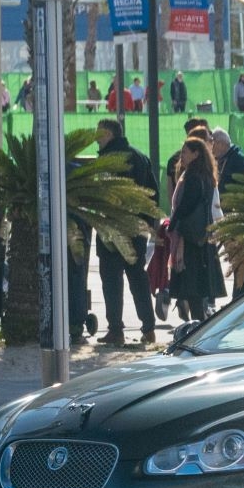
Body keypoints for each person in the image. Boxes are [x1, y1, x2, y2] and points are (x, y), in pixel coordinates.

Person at [86, 119, 162, 346]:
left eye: (99, 133)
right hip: (136, 228)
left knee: (111, 281)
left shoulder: (108, 160)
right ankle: (149, 328)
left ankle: (116, 330)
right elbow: (153, 193)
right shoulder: (140, 157)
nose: (96, 138)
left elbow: (100, 194)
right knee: (138, 277)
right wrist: (147, 223)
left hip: (111, 228)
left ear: (108, 134)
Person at [167, 135, 225, 321]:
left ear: (196, 154)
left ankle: (197, 327)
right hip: (202, 236)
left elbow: (185, 206)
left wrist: (172, 225)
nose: (181, 156)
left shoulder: (192, 177)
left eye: (185, 152)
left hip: (190, 238)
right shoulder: (207, 176)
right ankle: (198, 323)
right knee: (198, 290)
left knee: (192, 289)